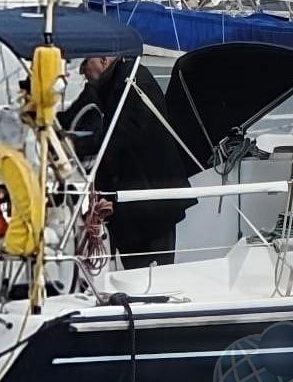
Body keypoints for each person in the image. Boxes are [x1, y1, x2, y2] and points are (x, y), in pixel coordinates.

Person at [61, 55, 197, 268]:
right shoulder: (106, 83)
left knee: (151, 275)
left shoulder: (133, 81)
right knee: (133, 271)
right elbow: (82, 109)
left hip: (150, 207)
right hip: (129, 207)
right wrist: (55, 129)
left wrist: (73, 145)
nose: (81, 70)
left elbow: (120, 136)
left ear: (104, 60)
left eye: (85, 62)